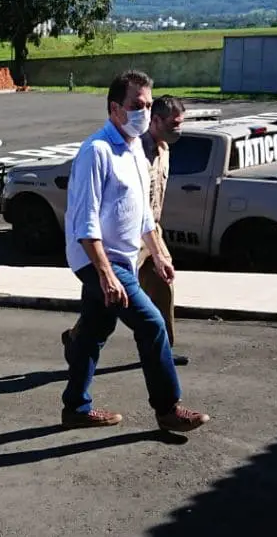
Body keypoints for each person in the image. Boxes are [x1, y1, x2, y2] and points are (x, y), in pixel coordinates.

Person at [58, 71, 210, 433]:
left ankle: (75, 407)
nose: (144, 112)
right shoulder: (97, 152)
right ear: (115, 109)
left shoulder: (136, 152)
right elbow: (85, 223)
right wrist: (106, 274)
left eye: (147, 105)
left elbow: (142, 214)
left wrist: (158, 253)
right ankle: (167, 408)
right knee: (152, 324)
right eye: (136, 106)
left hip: (122, 258)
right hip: (99, 260)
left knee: (94, 331)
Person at [62, 93, 189, 365]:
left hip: (149, 230)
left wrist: (158, 249)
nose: (177, 130)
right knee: (103, 309)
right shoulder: (130, 147)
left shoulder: (164, 149)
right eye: (173, 124)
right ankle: (77, 339)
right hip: (120, 237)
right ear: (155, 120)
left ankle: (163, 349)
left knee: (163, 288)